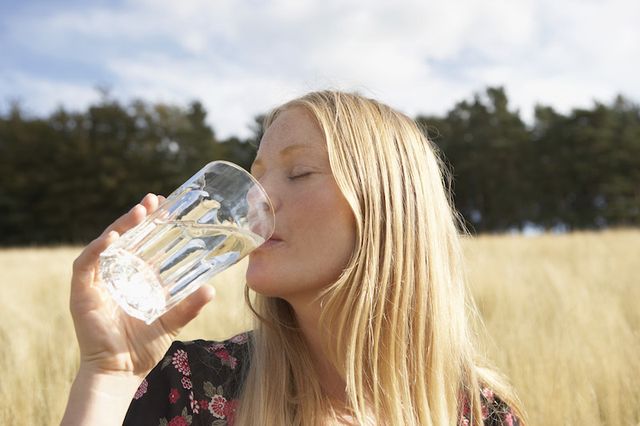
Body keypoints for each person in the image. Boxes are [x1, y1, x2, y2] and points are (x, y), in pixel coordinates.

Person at [61, 90, 525, 425]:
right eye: (257, 176)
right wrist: (108, 374)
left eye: (299, 172)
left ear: (389, 211)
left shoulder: (481, 414)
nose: (256, 201)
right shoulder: (194, 391)